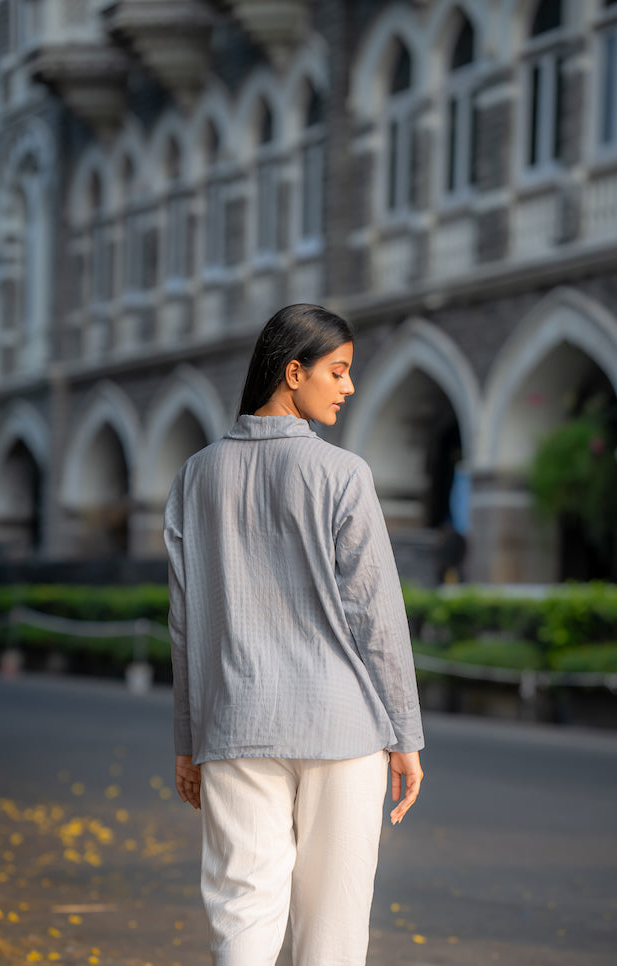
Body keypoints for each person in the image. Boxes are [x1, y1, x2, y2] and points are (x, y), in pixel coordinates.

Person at [164, 303, 424, 966]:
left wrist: (189, 741)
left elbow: (185, 620)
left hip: (236, 723)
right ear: (292, 371)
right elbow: (376, 616)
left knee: (243, 916)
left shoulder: (196, 477)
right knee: (333, 934)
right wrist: (406, 737)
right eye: (337, 371)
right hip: (343, 729)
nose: (348, 386)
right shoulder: (343, 475)